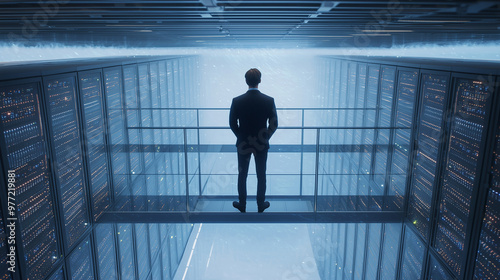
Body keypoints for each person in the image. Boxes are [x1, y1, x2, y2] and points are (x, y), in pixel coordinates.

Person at [229, 68, 278, 213]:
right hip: (261, 144)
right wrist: (264, 138)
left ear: (246, 81)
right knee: (261, 174)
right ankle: (260, 204)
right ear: (260, 81)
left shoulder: (237, 101)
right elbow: (274, 124)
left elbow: (232, 124)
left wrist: (241, 136)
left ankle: (242, 204)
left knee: (242, 175)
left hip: (243, 143)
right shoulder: (269, 100)